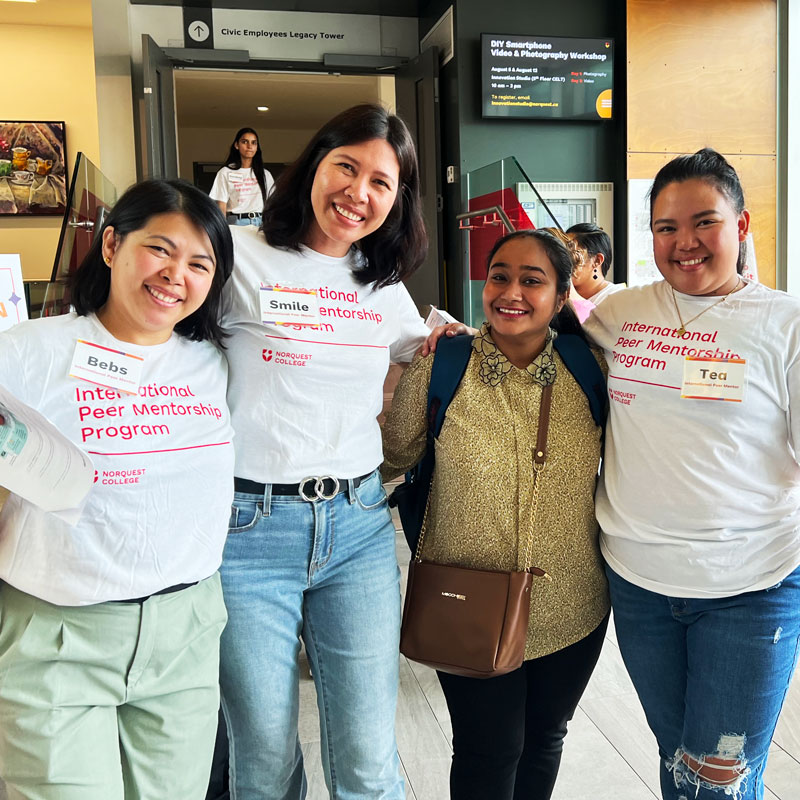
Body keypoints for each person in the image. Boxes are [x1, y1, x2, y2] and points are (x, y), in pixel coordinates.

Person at [218, 104, 434, 800]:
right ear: (315, 163)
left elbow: (429, 347)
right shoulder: (236, 257)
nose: (359, 192)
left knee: (371, 762)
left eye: (382, 181)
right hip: (246, 529)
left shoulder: (383, 286)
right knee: (263, 759)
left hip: (358, 525)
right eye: (348, 166)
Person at [0, 179, 235, 800]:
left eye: (198, 263)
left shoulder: (214, 362)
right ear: (110, 245)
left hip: (184, 633)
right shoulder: (27, 353)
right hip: (56, 635)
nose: (174, 275)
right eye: (159, 250)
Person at [583, 148, 800, 800]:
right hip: (640, 587)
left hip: (752, 587)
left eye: (704, 222)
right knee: (680, 764)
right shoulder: (623, 314)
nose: (685, 243)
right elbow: (533, 326)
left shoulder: (784, 324)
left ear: (742, 225)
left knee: (719, 784)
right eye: (666, 228)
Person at [382, 228, 610, 800]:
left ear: (561, 297)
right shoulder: (444, 363)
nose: (511, 291)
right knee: (488, 751)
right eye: (500, 276)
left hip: (572, 602)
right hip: (464, 600)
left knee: (544, 740)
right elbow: (396, 455)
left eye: (533, 280)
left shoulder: (591, 369)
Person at [210, 127, 274, 227]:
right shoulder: (225, 172)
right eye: (245, 142)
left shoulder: (265, 174)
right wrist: (222, 228)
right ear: (236, 145)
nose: (249, 146)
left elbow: (272, 203)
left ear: (257, 147)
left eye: (254, 143)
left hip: (261, 222)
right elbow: (221, 204)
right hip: (236, 222)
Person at [566, 222, 624, 304]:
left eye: (572, 254)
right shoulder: (560, 296)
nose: (563, 260)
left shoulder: (617, 300)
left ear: (597, 260)